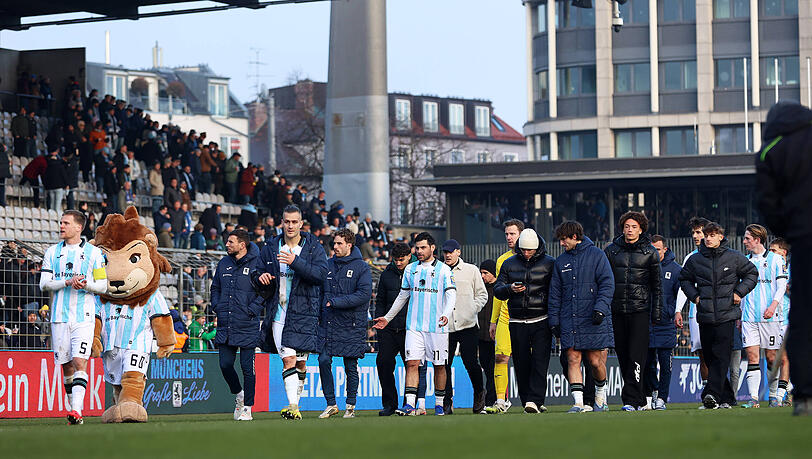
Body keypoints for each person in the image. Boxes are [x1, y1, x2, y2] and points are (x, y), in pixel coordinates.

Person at [373, 232, 456, 416]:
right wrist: (387, 318)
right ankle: (410, 404)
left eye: (423, 247)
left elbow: (451, 295)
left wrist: (446, 314)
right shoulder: (411, 270)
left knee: (439, 366)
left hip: (437, 328)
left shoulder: (444, 270)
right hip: (414, 327)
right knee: (412, 363)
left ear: (432, 248)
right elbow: (402, 296)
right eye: (417, 248)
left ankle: (440, 403)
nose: (419, 251)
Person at [257, 204, 328, 420]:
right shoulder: (271, 246)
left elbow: (320, 275)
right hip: (278, 313)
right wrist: (261, 277)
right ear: (281, 222)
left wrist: (295, 261)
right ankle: (293, 406)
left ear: (301, 223)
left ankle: (294, 403)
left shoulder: (314, 248)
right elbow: (258, 271)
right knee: (288, 359)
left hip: (304, 313)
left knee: (300, 363)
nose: (290, 225)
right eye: (286, 221)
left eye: (294, 222)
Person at [38, 210, 108, 424]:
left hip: (84, 317)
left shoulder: (94, 254)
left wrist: (86, 284)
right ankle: (74, 412)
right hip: (59, 316)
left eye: (65, 223)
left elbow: (103, 286)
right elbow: (44, 284)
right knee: (67, 365)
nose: (61, 226)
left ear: (79, 227)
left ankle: (77, 410)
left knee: (80, 361)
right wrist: (67, 282)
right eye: (61, 222)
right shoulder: (51, 252)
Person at [679, 222, 758, 409]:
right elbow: (684, 279)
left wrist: (739, 292)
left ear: (720, 237)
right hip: (705, 316)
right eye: (706, 235)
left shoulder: (734, 257)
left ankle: (711, 394)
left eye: (712, 235)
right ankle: (728, 398)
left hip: (727, 315)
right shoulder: (695, 260)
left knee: (721, 356)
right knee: (710, 356)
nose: (708, 238)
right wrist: (695, 297)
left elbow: (752, 274)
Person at [549, 220, 615, 413]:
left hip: (594, 317)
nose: (562, 243)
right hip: (570, 318)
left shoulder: (597, 255)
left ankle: (600, 397)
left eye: (564, 239)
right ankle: (578, 403)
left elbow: (607, 284)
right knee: (572, 358)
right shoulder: (561, 261)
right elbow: (555, 294)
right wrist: (554, 321)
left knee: (595, 362)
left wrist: (600, 309)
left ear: (574, 237)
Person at [604, 211, 663, 411]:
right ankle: (637, 399)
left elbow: (657, 286)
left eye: (634, 227)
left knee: (637, 356)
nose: (630, 230)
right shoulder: (611, 251)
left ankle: (630, 400)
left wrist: (656, 313)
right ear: (622, 228)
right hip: (617, 310)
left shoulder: (650, 252)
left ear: (641, 229)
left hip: (640, 311)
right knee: (623, 356)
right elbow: (605, 281)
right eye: (627, 226)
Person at [493, 229, 555, 414]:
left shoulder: (550, 263)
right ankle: (528, 399)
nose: (526, 253)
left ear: (537, 248)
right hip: (517, 321)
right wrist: (509, 289)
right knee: (521, 362)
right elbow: (497, 289)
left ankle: (535, 400)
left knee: (540, 361)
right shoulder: (508, 263)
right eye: (523, 250)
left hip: (541, 320)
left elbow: (556, 291)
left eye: (530, 250)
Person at [211, 229, 267, 421]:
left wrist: (253, 309)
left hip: (247, 323)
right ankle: (239, 394)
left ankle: (248, 408)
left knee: (247, 368)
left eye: (230, 242)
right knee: (225, 364)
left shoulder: (258, 263)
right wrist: (216, 305)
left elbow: (267, 291)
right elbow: (215, 287)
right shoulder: (223, 263)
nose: (227, 244)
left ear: (242, 245)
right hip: (226, 323)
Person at [317, 229, 372, 419]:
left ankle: (350, 406)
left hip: (351, 324)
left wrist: (336, 302)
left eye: (340, 243)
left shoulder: (362, 267)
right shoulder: (327, 265)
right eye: (335, 243)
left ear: (349, 245)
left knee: (350, 366)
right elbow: (321, 292)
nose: (335, 247)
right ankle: (331, 404)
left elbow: (364, 295)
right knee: (323, 360)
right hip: (329, 322)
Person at [374, 242, 429, 416]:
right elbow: (380, 302)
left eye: (402, 260)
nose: (398, 263)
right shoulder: (386, 275)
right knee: (383, 363)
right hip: (389, 330)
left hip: (410, 329)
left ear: (409, 256)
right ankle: (390, 404)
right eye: (396, 260)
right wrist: (380, 327)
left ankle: (409, 403)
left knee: (412, 366)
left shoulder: (418, 271)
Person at [739, 224, 788, 408]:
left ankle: (774, 396)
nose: (744, 242)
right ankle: (753, 398)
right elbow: (743, 289)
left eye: (747, 239)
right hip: (749, 316)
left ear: (757, 240)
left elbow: (781, 286)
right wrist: (739, 316)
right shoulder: (744, 262)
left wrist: (773, 305)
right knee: (752, 356)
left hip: (771, 316)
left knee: (771, 357)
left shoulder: (776, 260)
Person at [442, 239, 488, 414]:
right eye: (445, 252)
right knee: (444, 365)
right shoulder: (439, 271)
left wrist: (472, 310)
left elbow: (482, 295)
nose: (447, 255)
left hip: (468, 324)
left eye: (451, 252)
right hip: (446, 326)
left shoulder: (471, 270)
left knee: (471, 362)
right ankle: (446, 402)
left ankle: (479, 394)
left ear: (458, 252)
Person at [486, 219, 523, 414]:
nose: (509, 237)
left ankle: (533, 399)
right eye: (507, 234)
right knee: (500, 356)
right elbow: (498, 293)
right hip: (505, 317)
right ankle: (501, 400)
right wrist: (493, 320)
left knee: (528, 359)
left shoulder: (535, 258)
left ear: (521, 235)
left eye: (512, 234)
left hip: (527, 316)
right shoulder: (502, 260)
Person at [644, 235, 681, 410]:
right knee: (647, 363)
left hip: (665, 323)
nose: (654, 252)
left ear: (665, 250)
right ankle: (654, 391)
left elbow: (680, 294)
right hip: (646, 322)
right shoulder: (643, 267)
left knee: (666, 364)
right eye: (652, 249)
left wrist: (671, 311)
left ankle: (662, 399)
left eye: (657, 249)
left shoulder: (675, 270)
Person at [769, 238, 792, 406]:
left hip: (787, 318)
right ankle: (789, 389)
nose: (771, 254)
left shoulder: (793, 268)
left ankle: (780, 395)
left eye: (774, 250)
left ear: (783, 253)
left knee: (785, 358)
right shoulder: (767, 267)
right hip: (770, 318)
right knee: (771, 358)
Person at [478, 259, 498, 408]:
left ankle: (492, 400)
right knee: (487, 368)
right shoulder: (480, 289)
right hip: (481, 337)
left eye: (485, 273)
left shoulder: (500, 289)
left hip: (497, 337)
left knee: (493, 369)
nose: (482, 276)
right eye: (481, 273)